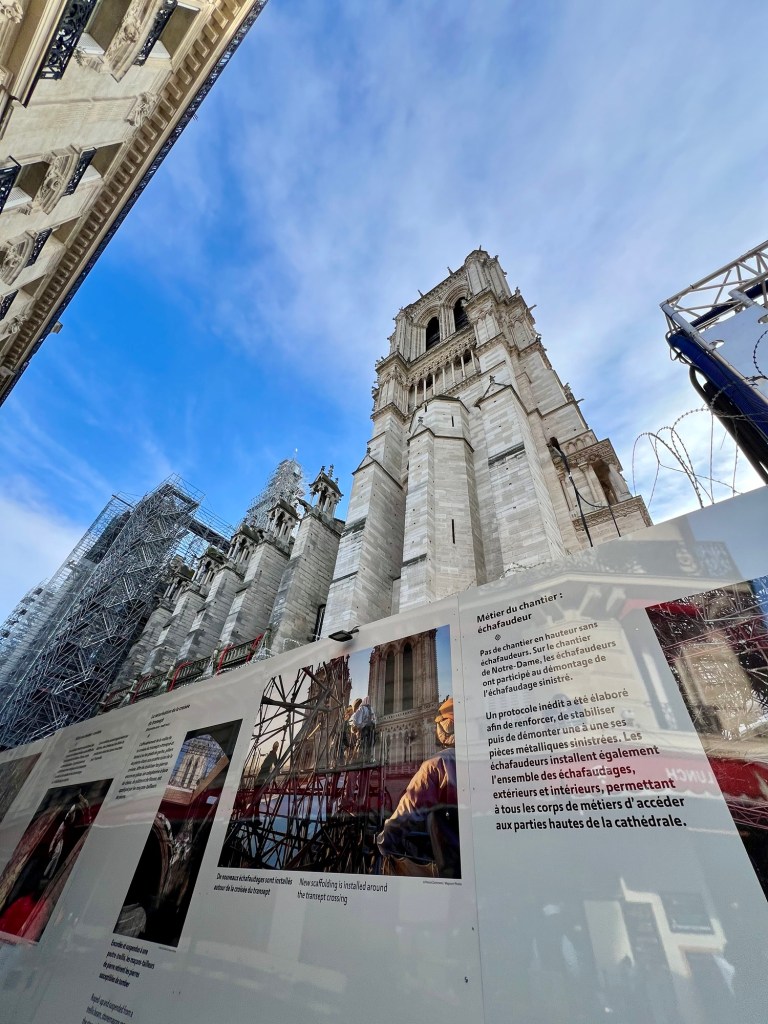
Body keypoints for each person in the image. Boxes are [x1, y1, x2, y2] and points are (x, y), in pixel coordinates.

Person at [376, 697, 460, 877]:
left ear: (447, 726)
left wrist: (384, 841)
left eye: (440, 724)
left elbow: (410, 809)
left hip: (454, 870)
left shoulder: (438, 764)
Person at [352, 696, 376, 762]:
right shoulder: (370, 708)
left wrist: (356, 728)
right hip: (372, 731)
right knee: (370, 747)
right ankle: (369, 759)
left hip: (364, 732)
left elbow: (357, 722)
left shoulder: (361, 709)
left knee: (361, 747)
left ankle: (360, 760)